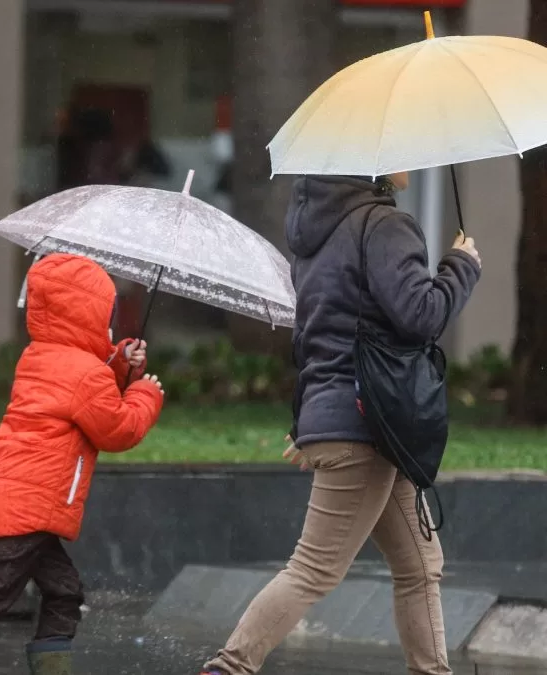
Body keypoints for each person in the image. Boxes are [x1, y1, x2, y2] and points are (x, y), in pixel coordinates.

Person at [199, 173, 482, 675]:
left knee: (420, 566)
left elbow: (311, 336)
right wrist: (461, 266)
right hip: (368, 421)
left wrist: (308, 418)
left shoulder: (318, 234)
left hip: (354, 419)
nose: (411, 160)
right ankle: (228, 666)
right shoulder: (385, 224)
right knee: (314, 569)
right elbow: (421, 315)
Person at [0, 253, 166, 675]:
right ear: (89, 315)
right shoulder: (84, 374)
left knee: (63, 592)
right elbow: (116, 429)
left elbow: (86, 386)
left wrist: (121, 361)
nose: (109, 324)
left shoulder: (42, 356)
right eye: (106, 315)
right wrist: (145, 394)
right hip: (33, 504)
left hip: (21, 494)